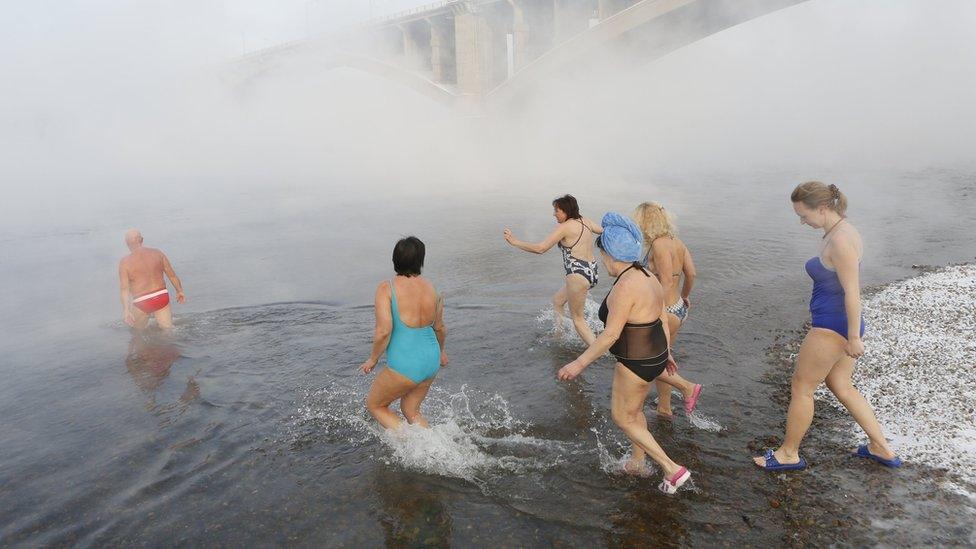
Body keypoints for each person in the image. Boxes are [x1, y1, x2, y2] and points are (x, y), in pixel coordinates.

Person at [754, 182, 901, 471]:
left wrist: (854, 337)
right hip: (839, 324)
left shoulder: (841, 241)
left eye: (804, 215)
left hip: (832, 327)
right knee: (841, 385)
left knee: (802, 387)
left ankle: (788, 454)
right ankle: (881, 448)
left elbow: (852, 292)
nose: (801, 221)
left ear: (822, 209)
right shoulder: (839, 231)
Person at [557, 212, 692, 494]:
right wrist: (666, 353)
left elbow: (610, 335)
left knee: (622, 417)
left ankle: (671, 469)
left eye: (602, 253)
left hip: (635, 359)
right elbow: (663, 319)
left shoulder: (625, 286)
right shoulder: (647, 276)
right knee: (635, 412)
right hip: (654, 351)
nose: (601, 259)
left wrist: (579, 363)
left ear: (610, 254)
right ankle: (637, 461)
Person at [360, 236, 448, 430]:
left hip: (406, 364)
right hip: (431, 360)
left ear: (395, 260)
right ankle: (433, 447)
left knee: (375, 405)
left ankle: (411, 445)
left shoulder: (386, 288)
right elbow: (440, 328)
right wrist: (441, 353)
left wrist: (373, 359)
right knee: (411, 410)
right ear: (421, 261)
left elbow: (383, 331)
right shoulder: (433, 289)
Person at [633, 202, 702, 418]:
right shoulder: (677, 242)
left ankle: (687, 387)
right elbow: (691, 274)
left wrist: (653, 312)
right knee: (664, 359)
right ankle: (664, 408)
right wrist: (685, 296)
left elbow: (665, 283)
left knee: (643, 359)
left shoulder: (659, 245)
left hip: (665, 312)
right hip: (678, 309)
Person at [504, 195, 603, 344]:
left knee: (578, 320)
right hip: (591, 272)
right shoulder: (585, 221)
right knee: (557, 301)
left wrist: (514, 242)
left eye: (556, 210)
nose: (554, 214)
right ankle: (559, 335)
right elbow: (603, 230)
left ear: (565, 211)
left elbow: (540, 248)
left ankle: (600, 352)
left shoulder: (565, 227)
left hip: (577, 275)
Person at [118, 229, 186, 330]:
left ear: (127, 243)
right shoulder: (157, 253)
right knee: (168, 331)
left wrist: (126, 311)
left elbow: (124, 289)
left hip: (142, 300)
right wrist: (180, 291)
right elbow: (172, 276)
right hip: (161, 296)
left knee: (137, 333)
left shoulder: (125, 262)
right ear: (142, 240)